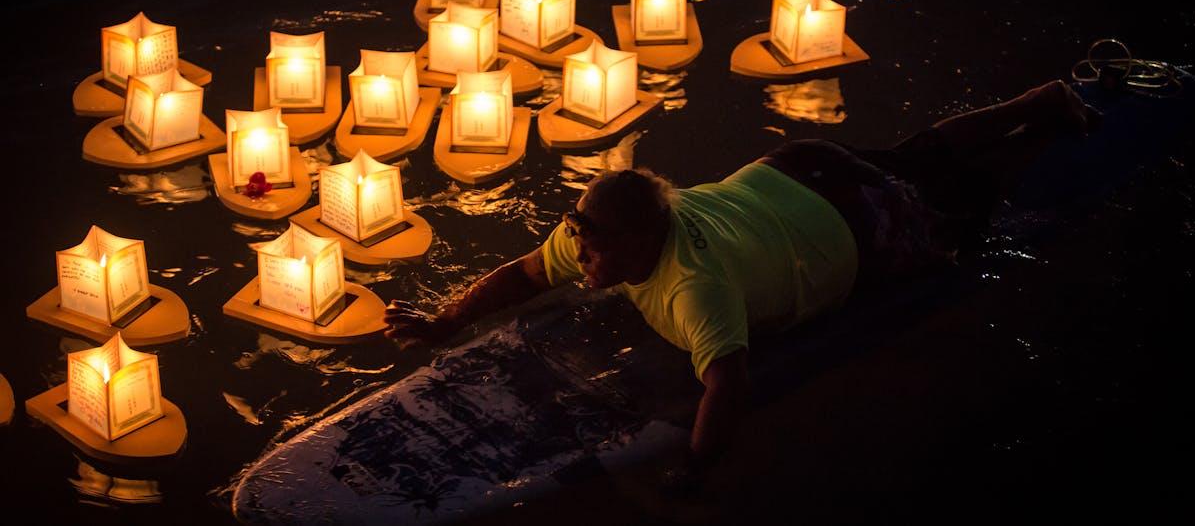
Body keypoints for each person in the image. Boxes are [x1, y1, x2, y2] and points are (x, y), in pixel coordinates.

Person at [383, 80, 1098, 490]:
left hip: (851, 221)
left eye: (595, 244)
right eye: (580, 232)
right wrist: (444, 323)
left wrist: (694, 468)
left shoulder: (696, 289)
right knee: (919, 153)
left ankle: (1045, 130)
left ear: (641, 242)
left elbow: (728, 383)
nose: (581, 252)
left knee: (953, 213)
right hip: (795, 168)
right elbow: (521, 274)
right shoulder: (593, 233)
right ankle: (1043, 98)